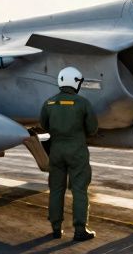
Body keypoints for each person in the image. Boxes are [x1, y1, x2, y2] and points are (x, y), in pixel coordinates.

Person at [39, 66, 99, 241]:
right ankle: (80, 230)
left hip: (56, 151)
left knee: (56, 189)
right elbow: (92, 129)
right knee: (79, 189)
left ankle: (56, 228)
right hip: (76, 151)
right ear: (75, 83)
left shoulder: (49, 103)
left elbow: (44, 125)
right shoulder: (83, 103)